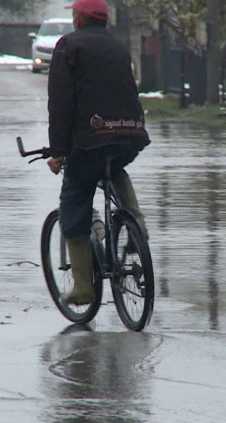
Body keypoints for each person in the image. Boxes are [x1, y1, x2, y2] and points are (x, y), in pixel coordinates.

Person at [46, 0, 150, 306]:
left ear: (79, 20)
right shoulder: (118, 46)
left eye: (74, 14)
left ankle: (83, 288)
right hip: (131, 134)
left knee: (75, 200)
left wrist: (58, 151)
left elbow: (61, 103)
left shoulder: (68, 46)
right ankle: (137, 225)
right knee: (114, 167)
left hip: (91, 139)